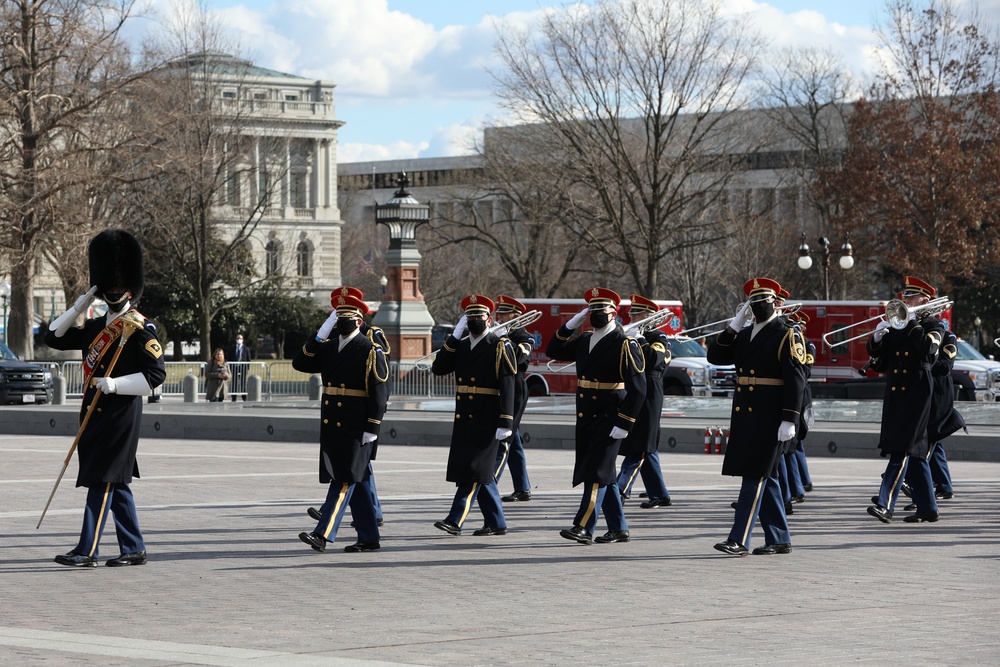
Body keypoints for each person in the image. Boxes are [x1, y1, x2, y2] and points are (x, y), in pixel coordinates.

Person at [45, 229, 166, 567]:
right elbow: (53, 337)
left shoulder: (141, 328)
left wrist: (114, 384)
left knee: (104, 480)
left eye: (119, 286)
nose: (113, 291)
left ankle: (88, 549)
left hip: (120, 415)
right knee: (115, 482)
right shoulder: (96, 327)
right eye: (108, 287)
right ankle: (134, 547)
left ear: (131, 288)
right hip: (93, 413)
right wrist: (80, 304)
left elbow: (156, 377)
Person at [707, 277, 806, 556]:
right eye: (753, 301)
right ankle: (779, 538)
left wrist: (790, 418)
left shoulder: (787, 333)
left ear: (775, 302)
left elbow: (796, 380)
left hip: (771, 416)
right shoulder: (745, 333)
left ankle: (739, 539)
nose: (758, 306)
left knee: (754, 476)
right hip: (746, 416)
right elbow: (714, 356)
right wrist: (732, 327)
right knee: (766, 477)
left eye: (763, 300)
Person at [545, 288, 646, 545]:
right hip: (587, 415)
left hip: (611, 415)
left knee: (595, 473)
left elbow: (639, 388)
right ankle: (619, 528)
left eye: (601, 310)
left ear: (614, 312)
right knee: (604, 474)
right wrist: (569, 325)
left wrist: (625, 422)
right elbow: (553, 350)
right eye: (593, 310)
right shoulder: (585, 340)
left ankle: (583, 526)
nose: (596, 314)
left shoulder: (624, 343)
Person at [294, 292, 390, 553]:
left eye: (348, 318)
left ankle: (322, 534)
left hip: (357, 426)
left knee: (344, 481)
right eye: (339, 317)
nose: (343, 322)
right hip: (333, 424)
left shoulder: (370, 350)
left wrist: (372, 426)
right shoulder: (328, 346)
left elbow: (379, 392)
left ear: (359, 321)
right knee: (355, 484)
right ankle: (369, 538)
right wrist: (319, 334)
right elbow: (300, 362)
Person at [431, 295, 517, 536]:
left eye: (478, 316)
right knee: (480, 472)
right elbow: (438, 368)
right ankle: (496, 522)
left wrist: (506, 420)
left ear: (489, 319)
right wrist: (454, 336)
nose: (474, 320)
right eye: (470, 317)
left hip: (488, 416)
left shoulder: (500, 345)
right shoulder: (462, 344)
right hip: (465, 416)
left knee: (475, 470)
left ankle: (455, 519)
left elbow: (508, 384)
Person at [866, 276, 945, 524]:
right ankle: (928, 508)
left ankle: (885, 504)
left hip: (918, 393)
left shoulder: (934, 325)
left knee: (901, 450)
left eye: (912, 297)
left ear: (925, 300)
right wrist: (877, 338)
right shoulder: (899, 324)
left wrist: (911, 324)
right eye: (906, 296)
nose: (906, 300)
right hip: (896, 394)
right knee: (916, 453)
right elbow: (880, 361)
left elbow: (928, 349)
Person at [614, 294, 673, 509]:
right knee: (646, 444)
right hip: (632, 387)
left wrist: (639, 338)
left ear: (649, 316)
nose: (633, 317)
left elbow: (652, 360)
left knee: (638, 445)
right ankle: (659, 494)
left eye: (637, 313)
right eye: (632, 313)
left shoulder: (659, 338)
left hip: (649, 390)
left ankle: (620, 490)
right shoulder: (628, 336)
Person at [491, 295, 535, 502]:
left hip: (516, 388)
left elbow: (517, 358)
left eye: (504, 313)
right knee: (514, 437)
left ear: (516, 315)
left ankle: (489, 482)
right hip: (501, 387)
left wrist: (503, 339)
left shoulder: (524, 337)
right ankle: (523, 487)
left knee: (504, 438)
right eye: (499, 312)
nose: (499, 316)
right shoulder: (495, 334)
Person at [229, 332, 252, 400]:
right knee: (234, 382)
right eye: (238, 338)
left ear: (243, 339)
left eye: (240, 338)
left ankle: (244, 396)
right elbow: (229, 358)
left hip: (243, 367)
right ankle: (234, 397)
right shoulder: (232, 348)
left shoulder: (246, 348)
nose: (239, 339)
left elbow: (248, 359)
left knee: (243, 382)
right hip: (234, 367)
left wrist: (247, 368)